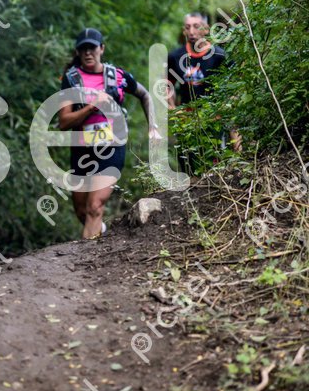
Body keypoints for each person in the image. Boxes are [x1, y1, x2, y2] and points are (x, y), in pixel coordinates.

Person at [58, 28, 160, 240]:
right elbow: (64, 122)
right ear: (77, 52)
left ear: (102, 49)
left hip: (111, 147)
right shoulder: (71, 80)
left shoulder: (117, 76)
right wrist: (91, 107)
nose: (88, 53)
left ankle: (87, 257)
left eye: (92, 48)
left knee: (94, 206)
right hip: (82, 149)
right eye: (83, 49)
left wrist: (153, 126)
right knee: (82, 210)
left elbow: (145, 95)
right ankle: (101, 231)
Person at [166, 12, 241, 173]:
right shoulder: (175, 56)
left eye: (196, 26)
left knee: (214, 163)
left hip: (213, 118)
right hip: (186, 118)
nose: (192, 32)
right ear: (183, 30)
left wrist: (227, 107)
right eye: (188, 27)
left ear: (206, 29)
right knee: (188, 163)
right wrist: (172, 108)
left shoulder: (219, 56)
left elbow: (234, 85)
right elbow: (167, 84)